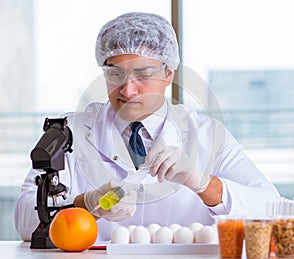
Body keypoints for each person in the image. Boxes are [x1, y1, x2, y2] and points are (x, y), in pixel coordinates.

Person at [14, 12, 279, 242]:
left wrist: (201, 182)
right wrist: (88, 203)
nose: (128, 89)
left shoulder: (209, 136)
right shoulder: (70, 132)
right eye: (115, 74)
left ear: (168, 75)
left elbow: (272, 208)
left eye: (143, 74)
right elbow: (25, 219)